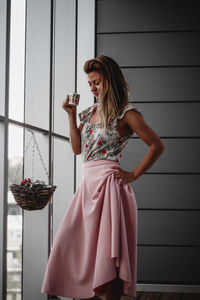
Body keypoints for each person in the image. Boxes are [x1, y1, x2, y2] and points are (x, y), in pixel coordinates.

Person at [41, 55, 165, 300]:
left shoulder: (125, 114)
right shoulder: (87, 113)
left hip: (110, 190)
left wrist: (133, 174)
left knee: (109, 256)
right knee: (73, 244)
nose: (92, 88)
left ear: (110, 80)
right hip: (87, 187)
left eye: (96, 82)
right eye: (89, 83)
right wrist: (71, 114)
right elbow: (77, 150)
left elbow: (156, 145)